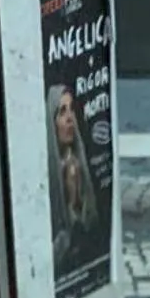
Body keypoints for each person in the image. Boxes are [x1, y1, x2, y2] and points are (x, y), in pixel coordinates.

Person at [47, 83, 99, 272]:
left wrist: (76, 198)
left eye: (72, 110)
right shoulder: (49, 173)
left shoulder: (78, 164)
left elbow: (91, 225)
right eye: (62, 112)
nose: (70, 119)